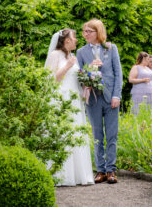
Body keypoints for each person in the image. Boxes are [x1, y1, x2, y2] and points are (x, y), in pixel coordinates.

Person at [45, 28, 94, 186]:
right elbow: (50, 80)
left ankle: (79, 175)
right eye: (74, 37)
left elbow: (76, 78)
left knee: (75, 134)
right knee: (63, 135)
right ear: (66, 40)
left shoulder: (72, 56)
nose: (77, 40)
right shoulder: (55, 55)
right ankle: (61, 175)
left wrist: (87, 85)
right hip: (61, 100)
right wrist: (67, 66)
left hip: (74, 100)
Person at [76, 19, 123, 184]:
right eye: (85, 31)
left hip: (111, 99)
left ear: (98, 32)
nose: (86, 34)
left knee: (111, 135)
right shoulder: (81, 52)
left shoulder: (111, 48)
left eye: (89, 31)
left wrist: (117, 95)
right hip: (93, 99)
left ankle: (111, 170)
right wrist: (90, 68)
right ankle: (100, 171)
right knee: (97, 135)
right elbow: (79, 76)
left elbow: (118, 73)